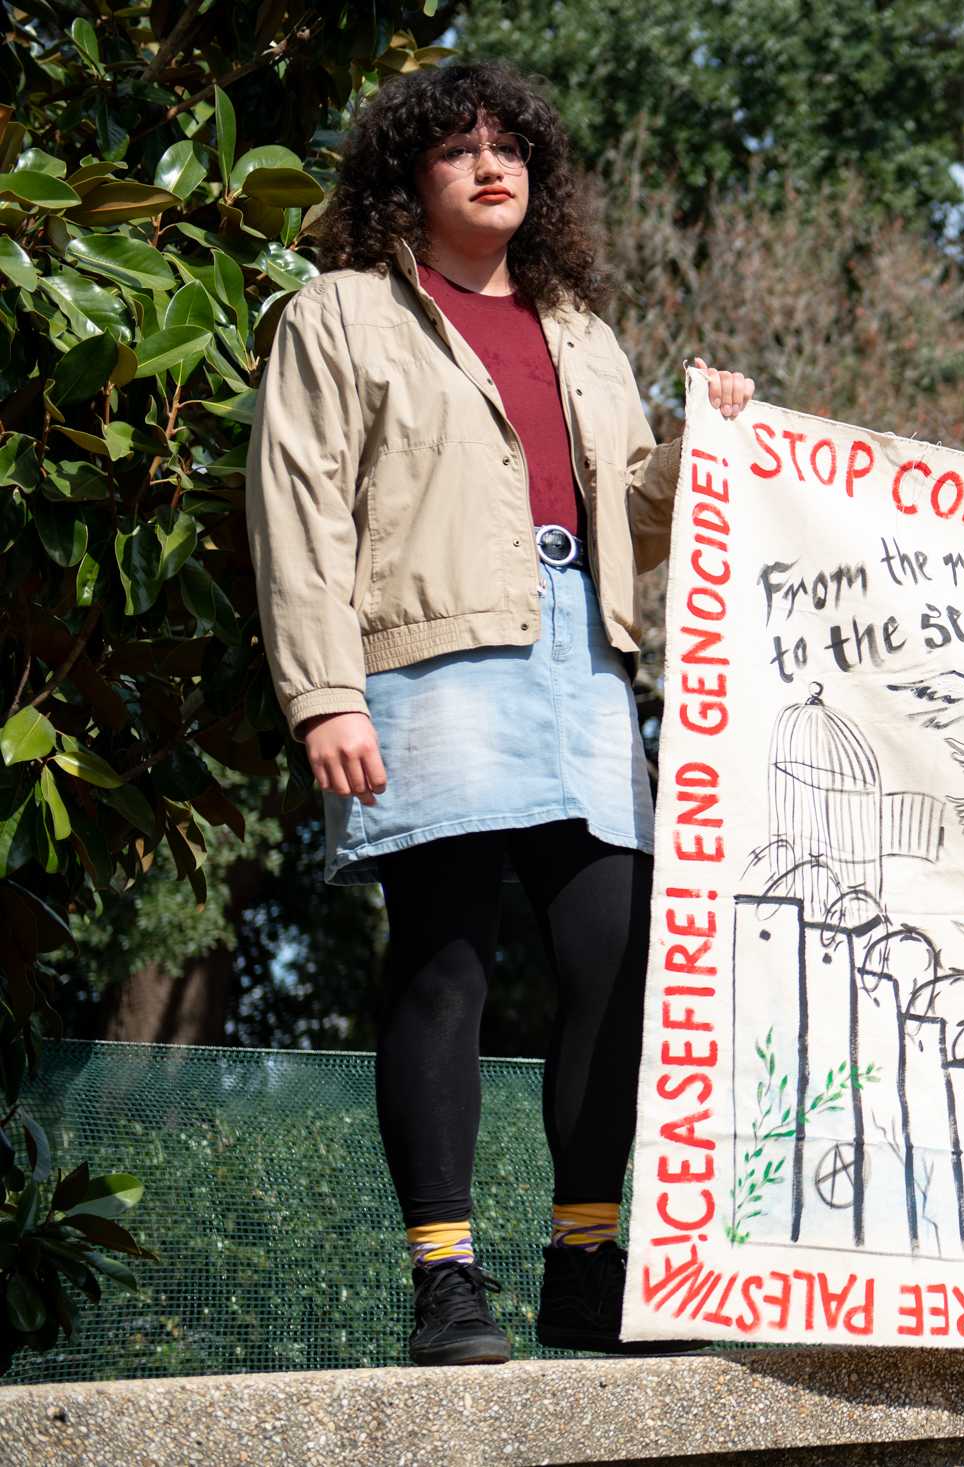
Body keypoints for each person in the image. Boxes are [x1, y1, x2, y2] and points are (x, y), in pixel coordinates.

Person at [245, 61, 754, 1366]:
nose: (492, 166)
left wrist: (709, 445)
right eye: (459, 148)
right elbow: (297, 515)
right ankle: (445, 1280)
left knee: (616, 960)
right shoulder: (341, 315)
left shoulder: (581, 330)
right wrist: (322, 695)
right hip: (427, 664)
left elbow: (639, 515)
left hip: (587, 660)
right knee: (446, 958)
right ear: (405, 176)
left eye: (512, 146)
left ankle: (589, 1263)